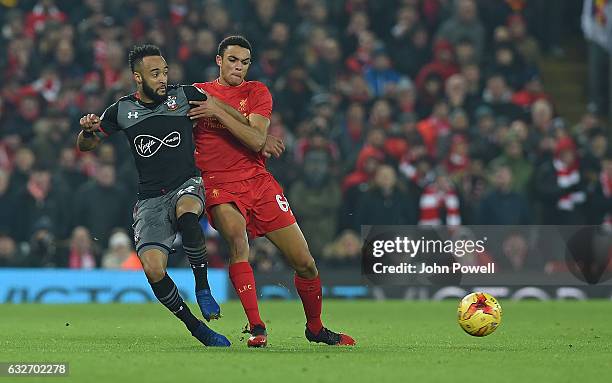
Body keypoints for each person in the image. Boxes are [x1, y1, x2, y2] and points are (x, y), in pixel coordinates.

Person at [188, 36, 355, 347]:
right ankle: (257, 327)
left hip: (259, 182)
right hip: (218, 183)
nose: (238, 67)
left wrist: (217, 111)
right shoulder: (197, 93)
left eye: (245, 62)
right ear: (219, 60)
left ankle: (315, 328)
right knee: (238, 242)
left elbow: (255, 139)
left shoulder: (257, 91)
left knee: (305, 263)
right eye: (233, 60)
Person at [76, 44, 229, 347]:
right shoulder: (121, 110)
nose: (163, 78)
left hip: (187, 183)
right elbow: (86, 146)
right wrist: (87, 130)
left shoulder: (183, 96)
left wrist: (257, 133)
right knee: (152, 268)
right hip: (150, 200)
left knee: (188, 214)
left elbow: (225, 111)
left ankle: (202, 288)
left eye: (165, 72)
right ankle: (196, 328)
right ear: (137, 77)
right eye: (155, 73)